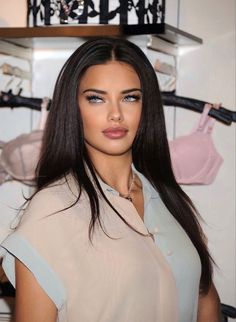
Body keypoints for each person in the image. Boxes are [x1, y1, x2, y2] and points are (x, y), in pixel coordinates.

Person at [0, 37, 220, 322]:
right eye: (96, 98)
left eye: (130, 97)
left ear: (146, 106)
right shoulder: (51, 210)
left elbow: (204, 298)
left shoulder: (167, 197)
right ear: (73, 108)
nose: (115, 114)